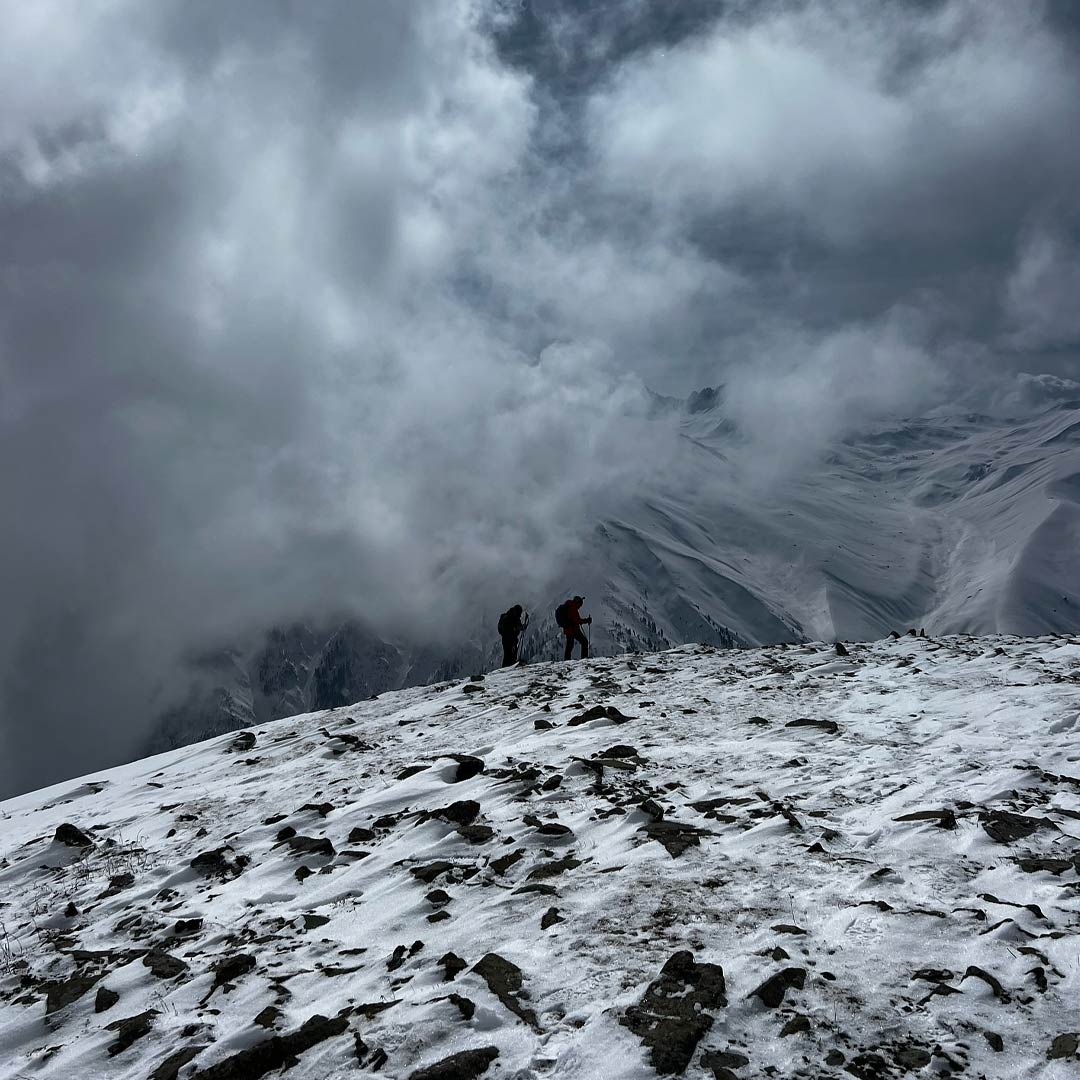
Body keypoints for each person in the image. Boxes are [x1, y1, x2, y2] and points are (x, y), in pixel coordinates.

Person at [561, 595, 591, 661]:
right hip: (573, 629)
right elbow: (577, 620)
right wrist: (586, 620)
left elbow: (575, 620)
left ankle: (567, 660)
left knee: (569, 646)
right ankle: (584, 659)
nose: (579, 607)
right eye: (580, 605)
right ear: (577, 603)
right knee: (584, 642)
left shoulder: (569, 606)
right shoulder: (573, 607)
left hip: (568, 629)